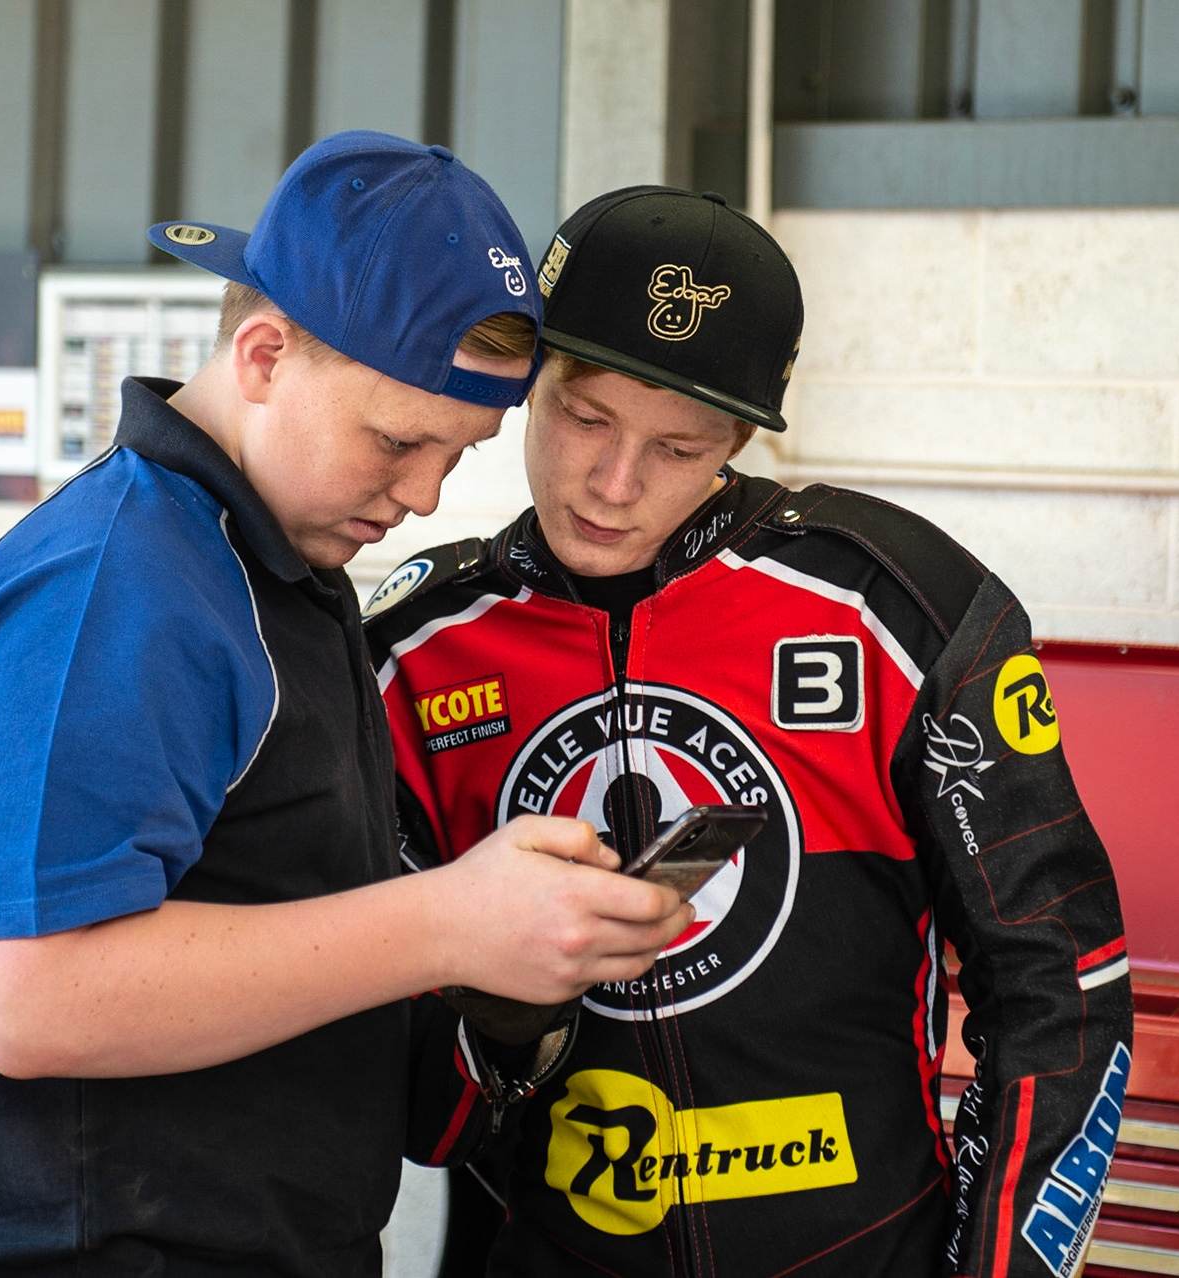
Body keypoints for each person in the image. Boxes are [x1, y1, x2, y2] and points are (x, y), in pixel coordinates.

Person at [0, 133, 691, 1278]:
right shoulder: (115, 586)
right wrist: (448, 919)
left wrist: (500, 970)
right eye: (396, 441)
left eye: (459, 453)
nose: (425, 496)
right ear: (265, 354)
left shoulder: (270, 570)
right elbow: (37, 996)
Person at [364, 187, 1135, 1277]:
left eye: (678, 446)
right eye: (585, 417)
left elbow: (1063, 978)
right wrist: (496, 1021)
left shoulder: (898, 607)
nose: (614, 483)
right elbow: (406, 1103)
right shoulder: (413, 648)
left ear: (739, 438)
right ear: (529, 384)